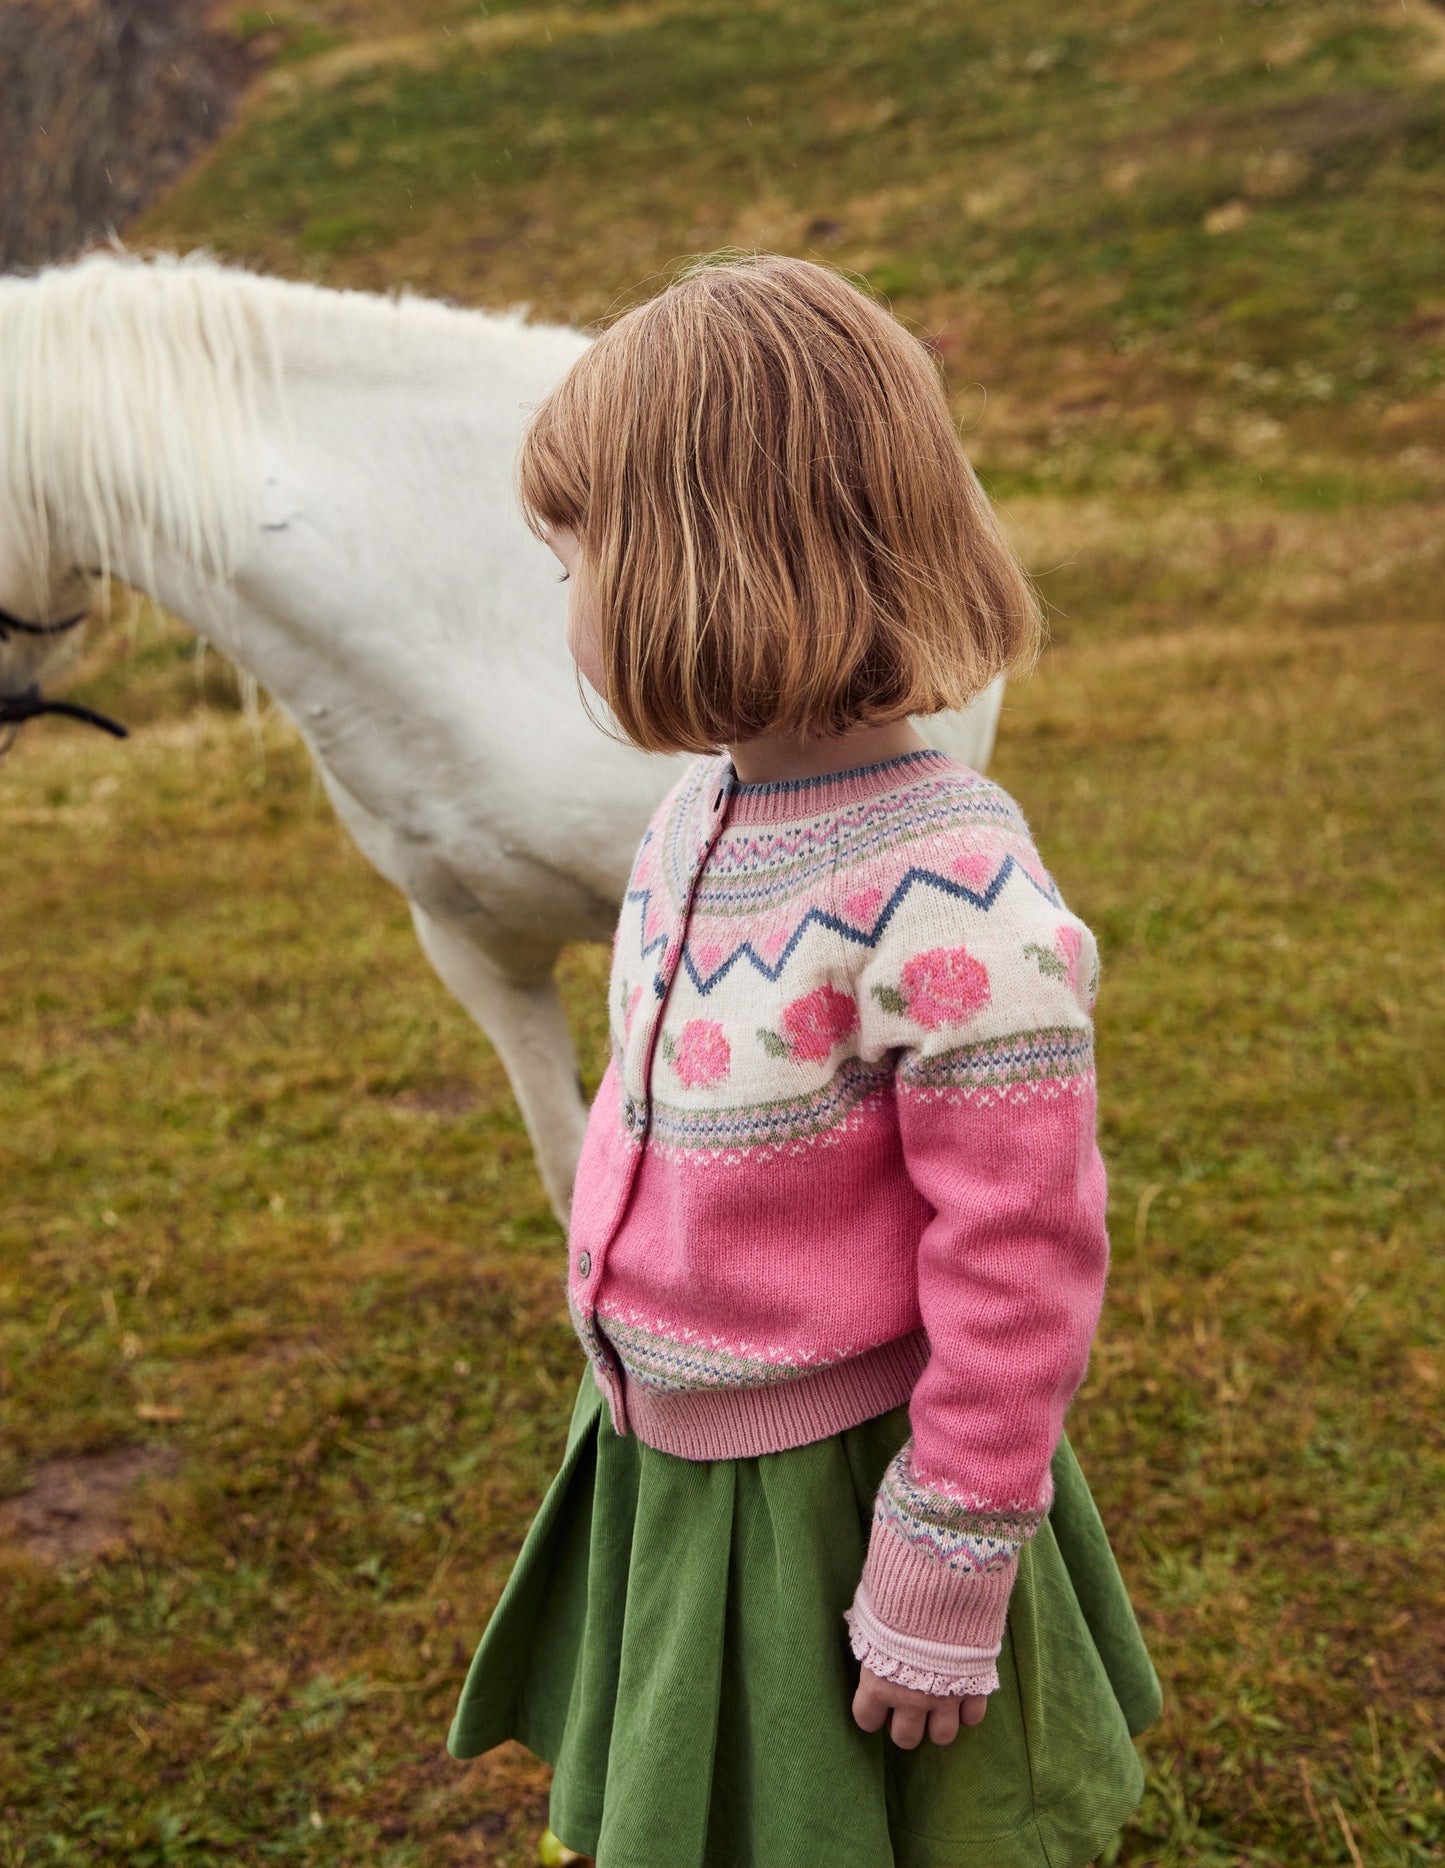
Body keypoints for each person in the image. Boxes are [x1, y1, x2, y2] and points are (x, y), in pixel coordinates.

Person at [448, 252, 1161, 1868]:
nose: (559, 604)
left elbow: (1022, 1252)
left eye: (571, 556)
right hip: (674, 1439)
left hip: (837, 1484)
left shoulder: (950, 891)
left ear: (697, 564)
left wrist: (947, 1548)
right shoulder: (698, 816)